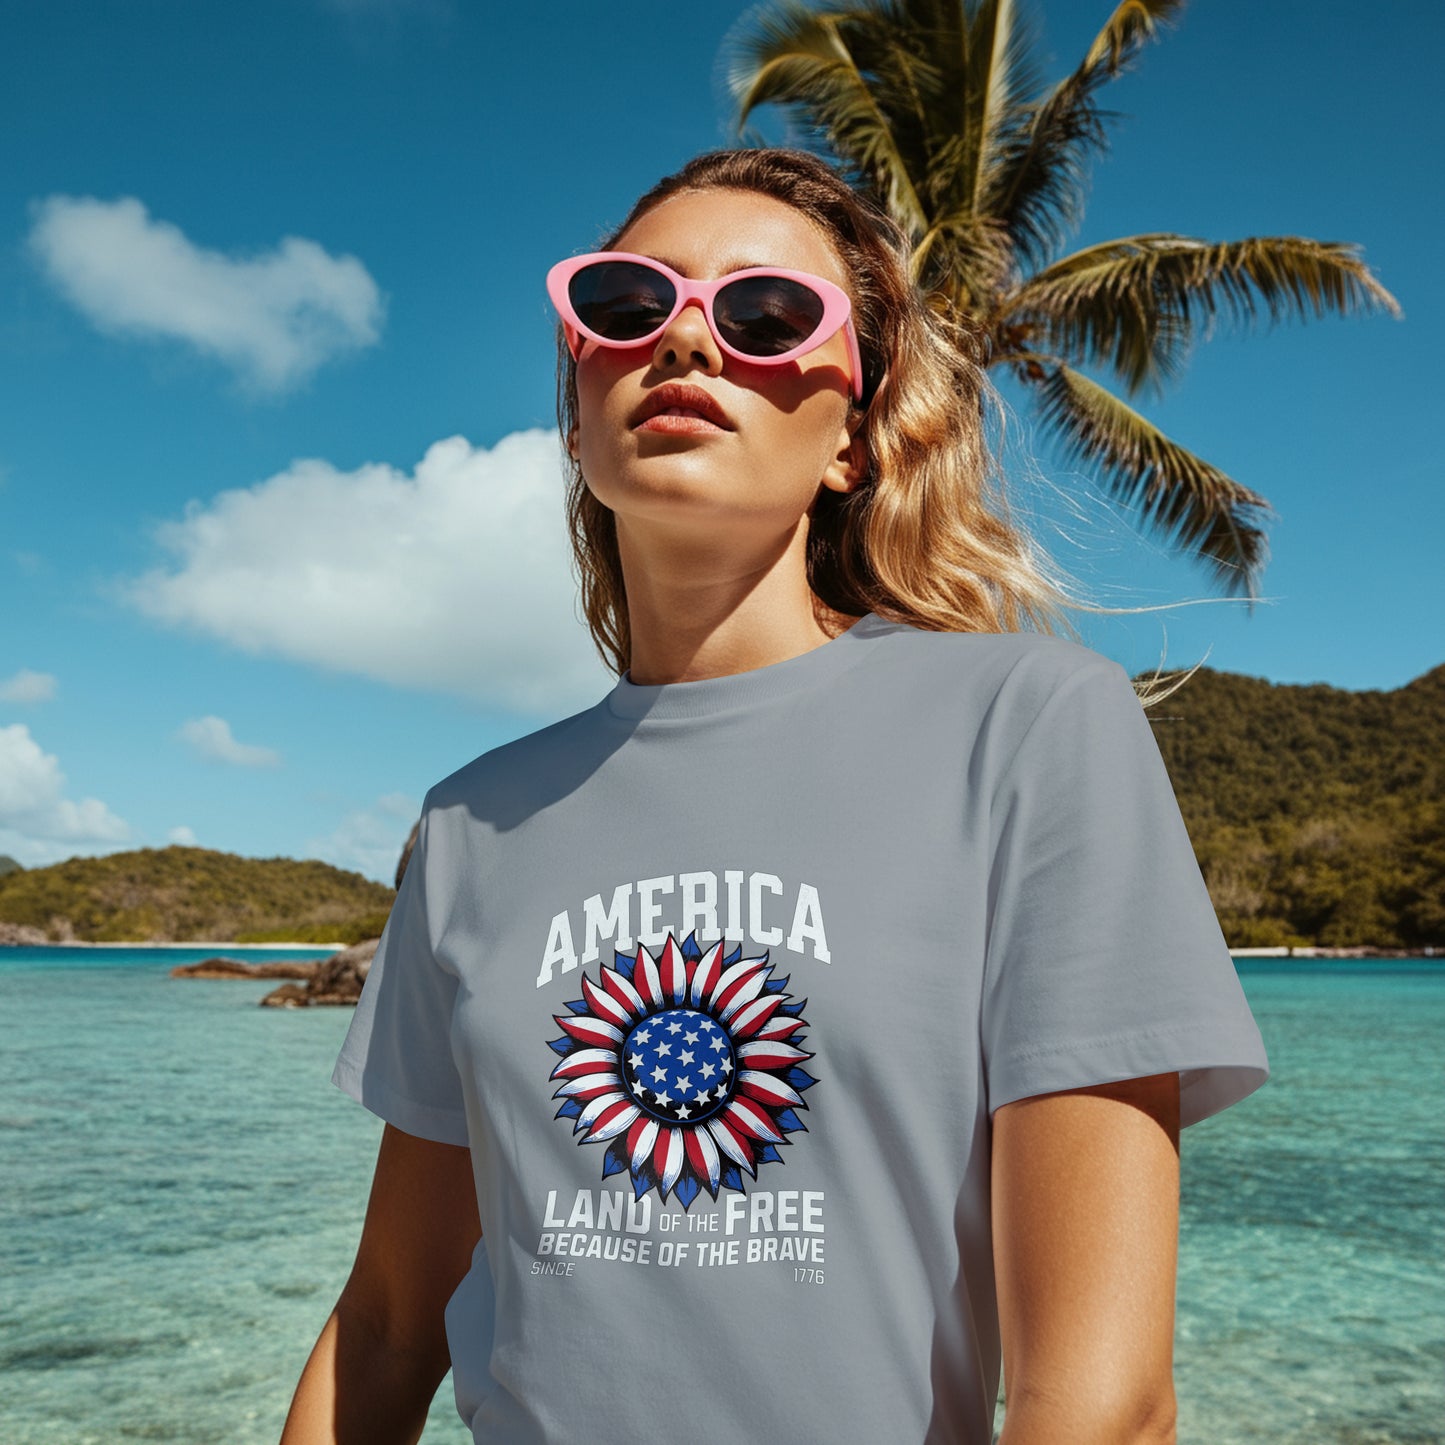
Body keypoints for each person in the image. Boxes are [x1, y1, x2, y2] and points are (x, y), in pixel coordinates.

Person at [280, 148, 1269, 1445]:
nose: (686, 341)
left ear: (853, 434)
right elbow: (388, 1324)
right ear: (575, 414)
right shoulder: (470, 824)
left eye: (762, 315)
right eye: (628, 304)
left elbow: (1100, 1399)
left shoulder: (1026, 729)